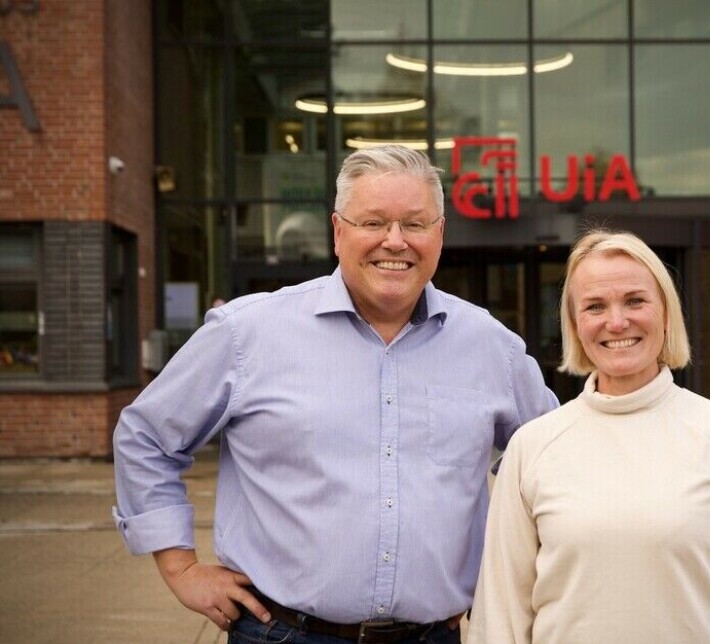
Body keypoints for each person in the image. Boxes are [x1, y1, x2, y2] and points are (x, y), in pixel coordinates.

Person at [112, 145, 558, 644]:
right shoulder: (246, 333)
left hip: (435, 636)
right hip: (283, 634)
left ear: (440, 234)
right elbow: (145, 436)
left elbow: (551, 463)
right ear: (338, 231)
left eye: (415, 223)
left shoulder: (491, 346)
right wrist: (180, 568)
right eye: (373, 223)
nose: (395, 241)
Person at [467, 230, 710, 643]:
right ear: (576, 325)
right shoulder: (532, 446)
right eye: (594, 306)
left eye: (635, 300)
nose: (617, 322)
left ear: (666, 314)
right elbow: (500, 616)